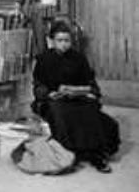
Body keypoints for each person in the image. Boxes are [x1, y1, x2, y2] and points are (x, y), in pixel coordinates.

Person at [31, 21, 120, 173]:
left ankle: (96, 155)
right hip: (54, 100)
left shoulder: (79, 58)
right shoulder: (43, 59)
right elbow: (38, 85)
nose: (64, 44)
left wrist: (90, 92)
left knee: (91, 111)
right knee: (60, 112)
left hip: (77, 99)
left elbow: (90, 83)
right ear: (52, 41)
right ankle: (69, 154)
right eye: (60, 41)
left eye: (67, 41)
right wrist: (48, 93)